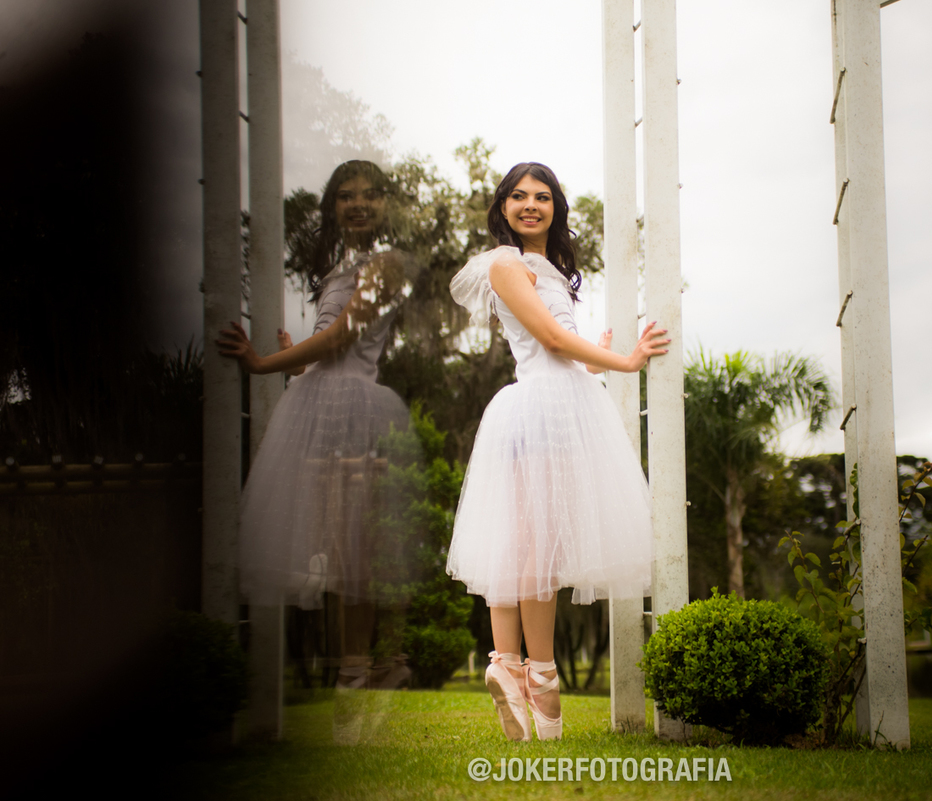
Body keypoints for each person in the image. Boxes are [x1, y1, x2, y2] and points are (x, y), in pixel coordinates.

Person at [447, 162, 668, 741]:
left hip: (556, 404)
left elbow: (560, 346)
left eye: (542, 197)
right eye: (518, 196)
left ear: (555, 209)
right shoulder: (505, 262)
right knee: (531, 545)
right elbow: (546, 341)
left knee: (531, 546)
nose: (530, 205)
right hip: (540, 412)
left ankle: (514, 671)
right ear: (503, 208)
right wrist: (627, 363)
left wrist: (598, 354)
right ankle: (534, 674)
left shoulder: (551, 269)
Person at [216, 160, 411, 714]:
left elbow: (341, 340)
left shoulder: (387, 264)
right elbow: (332, 342)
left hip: (351, 407)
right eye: (346, 196)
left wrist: (264, 363)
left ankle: (366, 669)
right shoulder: (341, 265)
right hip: (322, 405)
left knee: (355, 548)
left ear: (386, 205)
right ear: (332, 207)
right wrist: (296, 364)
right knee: (335, 544)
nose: (357, 204)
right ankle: (367, 667)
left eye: (370, 196)